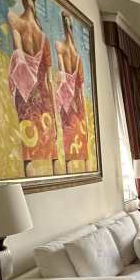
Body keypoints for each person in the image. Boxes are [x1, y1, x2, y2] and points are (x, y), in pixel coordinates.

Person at [7, 0, 60, 177]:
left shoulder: (41, 36)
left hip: (37, 94)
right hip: (31, 92)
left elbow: (48, 78)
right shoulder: (17, 21)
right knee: (30, 147)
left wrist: (54, 111)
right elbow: (18, 55)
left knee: (44, 146)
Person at [55, 11, 88, 172]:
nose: (68, 24)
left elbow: (79, 84)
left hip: (75, 104)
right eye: (66, 20)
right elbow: (63, 75)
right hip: (70, 102)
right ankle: (69, 169)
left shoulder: (77, 56)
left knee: (80, 144)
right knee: (69, 140)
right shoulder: (60, 47)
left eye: (69, 21)